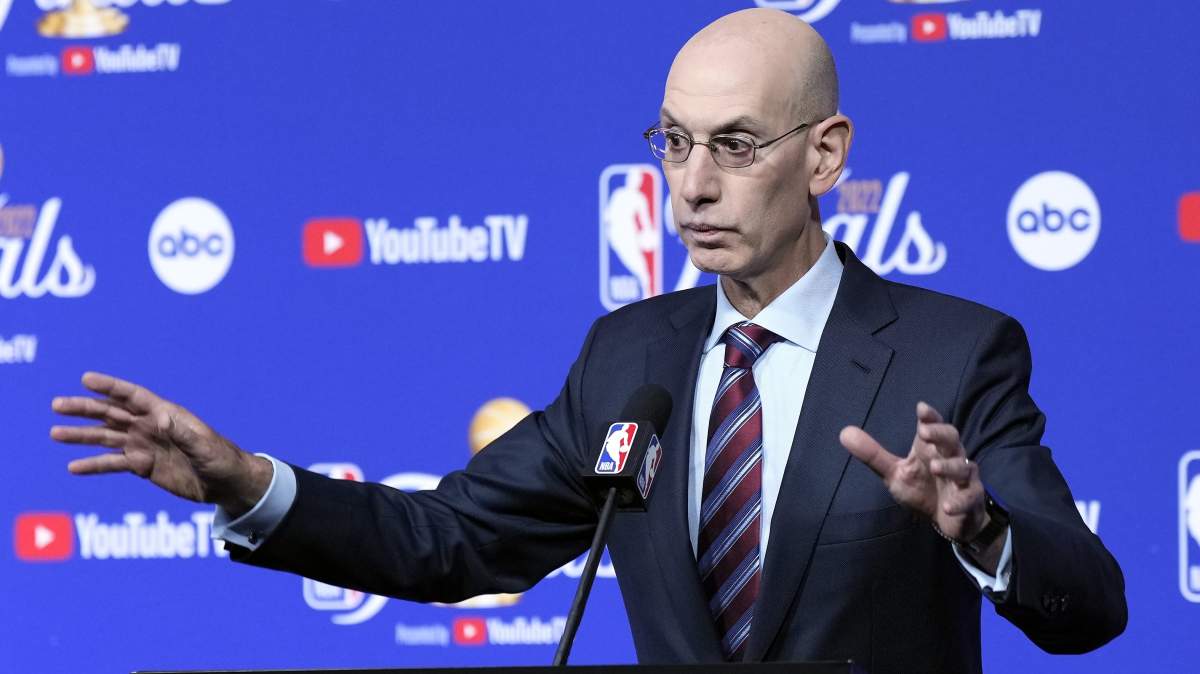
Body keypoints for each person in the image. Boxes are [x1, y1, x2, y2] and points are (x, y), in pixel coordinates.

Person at [49, 8, 1126, 673]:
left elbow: (1093, 607)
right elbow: (452, 537)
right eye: (675, 142)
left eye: (736, 146)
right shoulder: (631, 356)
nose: (692, 185)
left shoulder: (954, 352)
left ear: (826, 154)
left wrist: (982, 530)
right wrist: (248, 482)